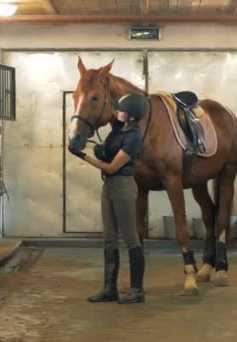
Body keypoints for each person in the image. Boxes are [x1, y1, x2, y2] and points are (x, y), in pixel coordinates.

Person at [69, 93, 149, 304]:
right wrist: (94, 148)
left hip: (123, 185)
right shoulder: (116, 131)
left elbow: (112, 167)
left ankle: (137, 290)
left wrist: (82, 155)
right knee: (109, 237)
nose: (117, 111)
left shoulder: (133, 137)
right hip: (109, 186)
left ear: (132, 116)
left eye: (121, 110)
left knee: (131, 238)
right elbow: (106, 153)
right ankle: (109, 288)